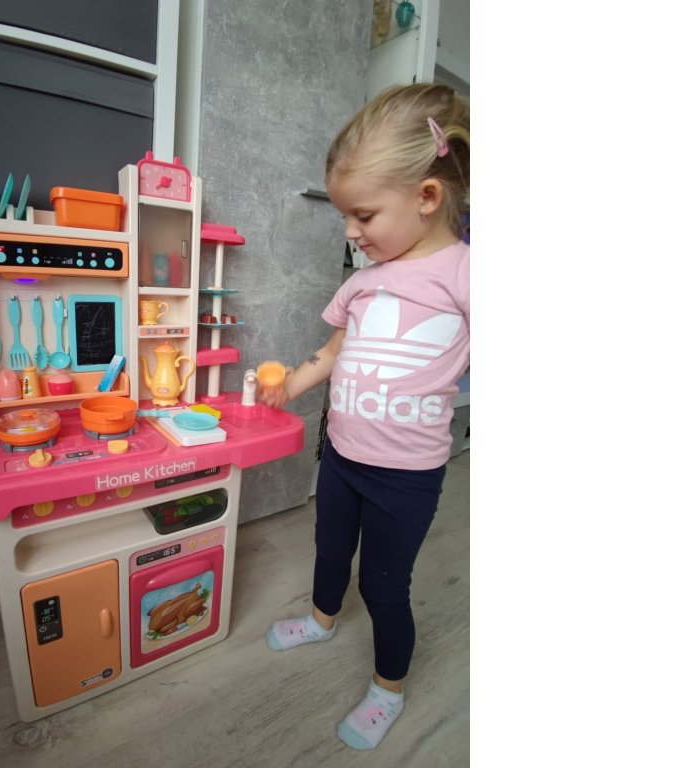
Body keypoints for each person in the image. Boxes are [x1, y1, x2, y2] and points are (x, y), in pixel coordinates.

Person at [260, 82, 469, 751]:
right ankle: (322, 619)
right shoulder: (361, 282)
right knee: (328, 548)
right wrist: (290, 384)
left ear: (426, 197)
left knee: (383, 584)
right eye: (346, 216)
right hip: (343, 458)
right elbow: (332, 352)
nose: (350, 231)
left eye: (364, 215)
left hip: (406, 477)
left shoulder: (465, 273)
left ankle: (387, 689)